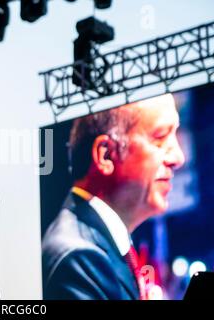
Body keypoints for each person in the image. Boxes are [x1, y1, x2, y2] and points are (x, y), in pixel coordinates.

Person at [42, 94, 185, 300]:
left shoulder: (99, 246)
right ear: (106, 155)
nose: (178, 158)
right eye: (160, 137)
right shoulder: (78, 257)